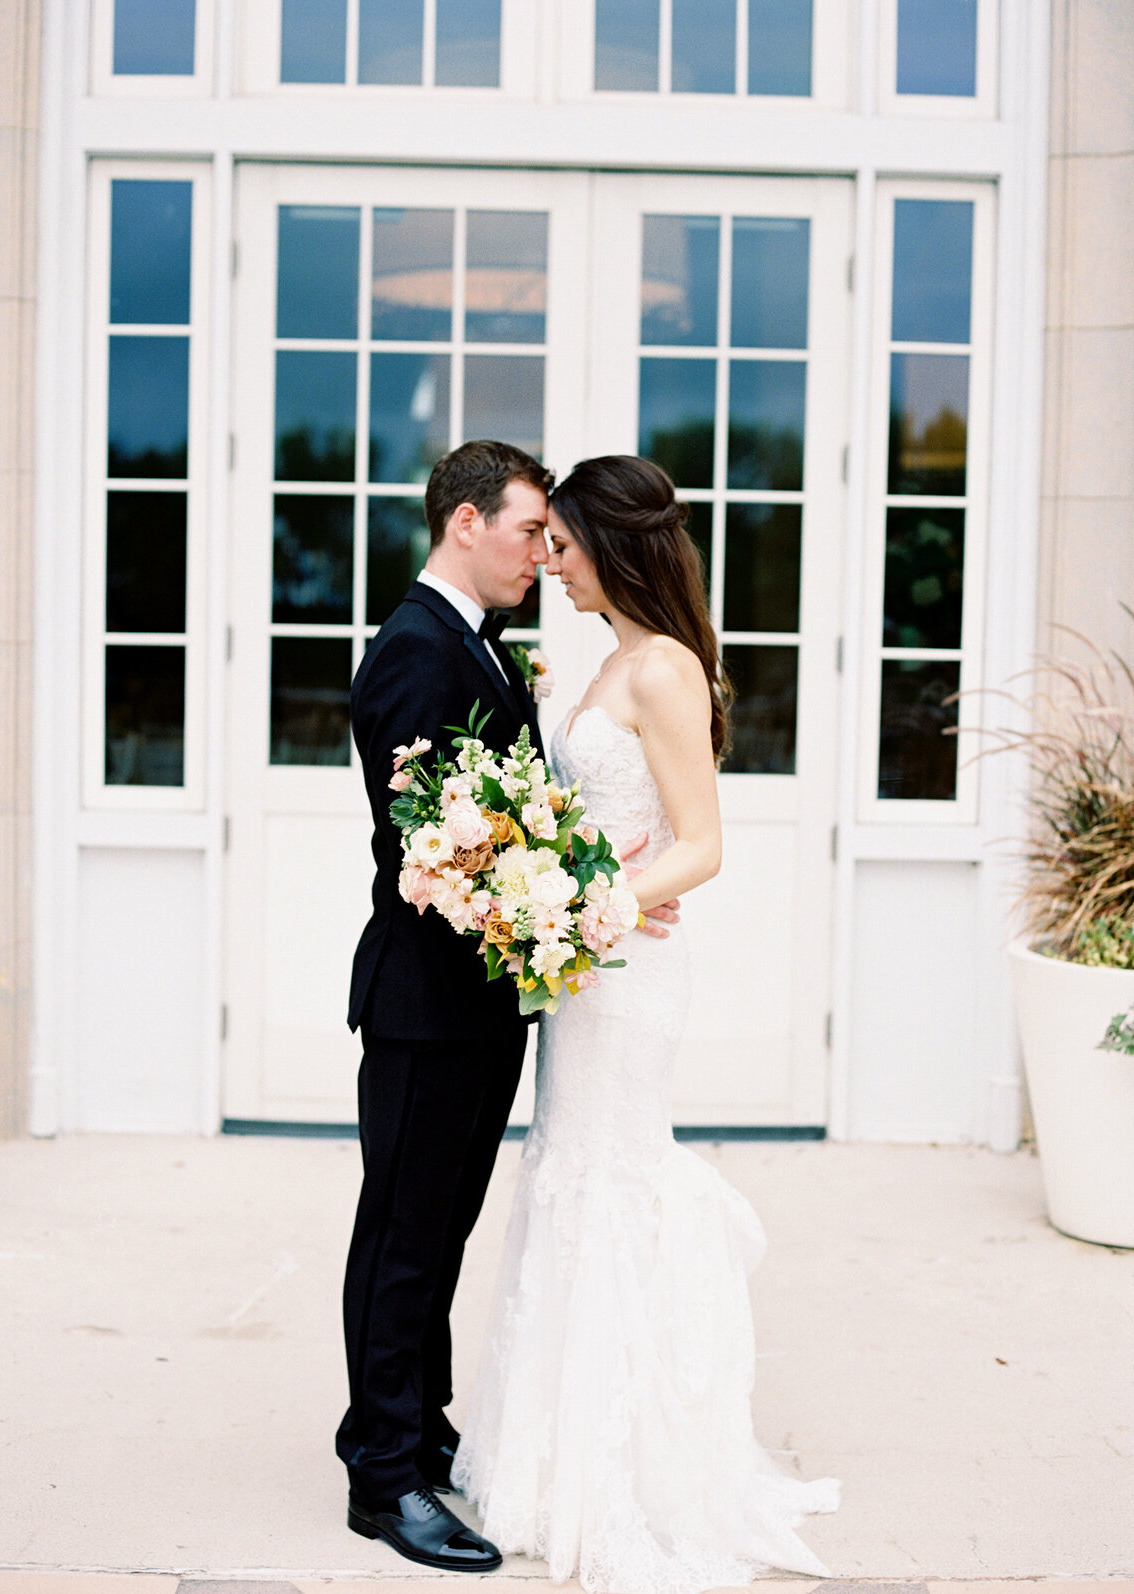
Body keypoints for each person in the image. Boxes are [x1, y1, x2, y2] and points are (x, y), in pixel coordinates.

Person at [452, 455, 840, 1594]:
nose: (550, 563)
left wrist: (595, 906)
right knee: (569, 1172)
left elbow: (703, 840)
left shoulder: (663, 666)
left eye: (563, 546)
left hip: (625, 973)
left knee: (609, 1178)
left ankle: (628, 1473)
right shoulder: (616, 656)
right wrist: (558, 885)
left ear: (613, 547)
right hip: (589, 966)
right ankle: (555, 1450)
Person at [337, 440, 677, 1572]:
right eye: (532, 529)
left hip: (486, 1006)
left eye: (551, 534)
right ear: (465, 524)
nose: (545, 551)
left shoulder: (479, 650)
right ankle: (383, 1475)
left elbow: (509, 822)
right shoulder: (411, 652)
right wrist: (586, 897)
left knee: (440, 1232)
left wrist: (598, 883)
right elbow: (431, 846)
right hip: (425, 1005)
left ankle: (421, 1430)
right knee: (401, 1234)